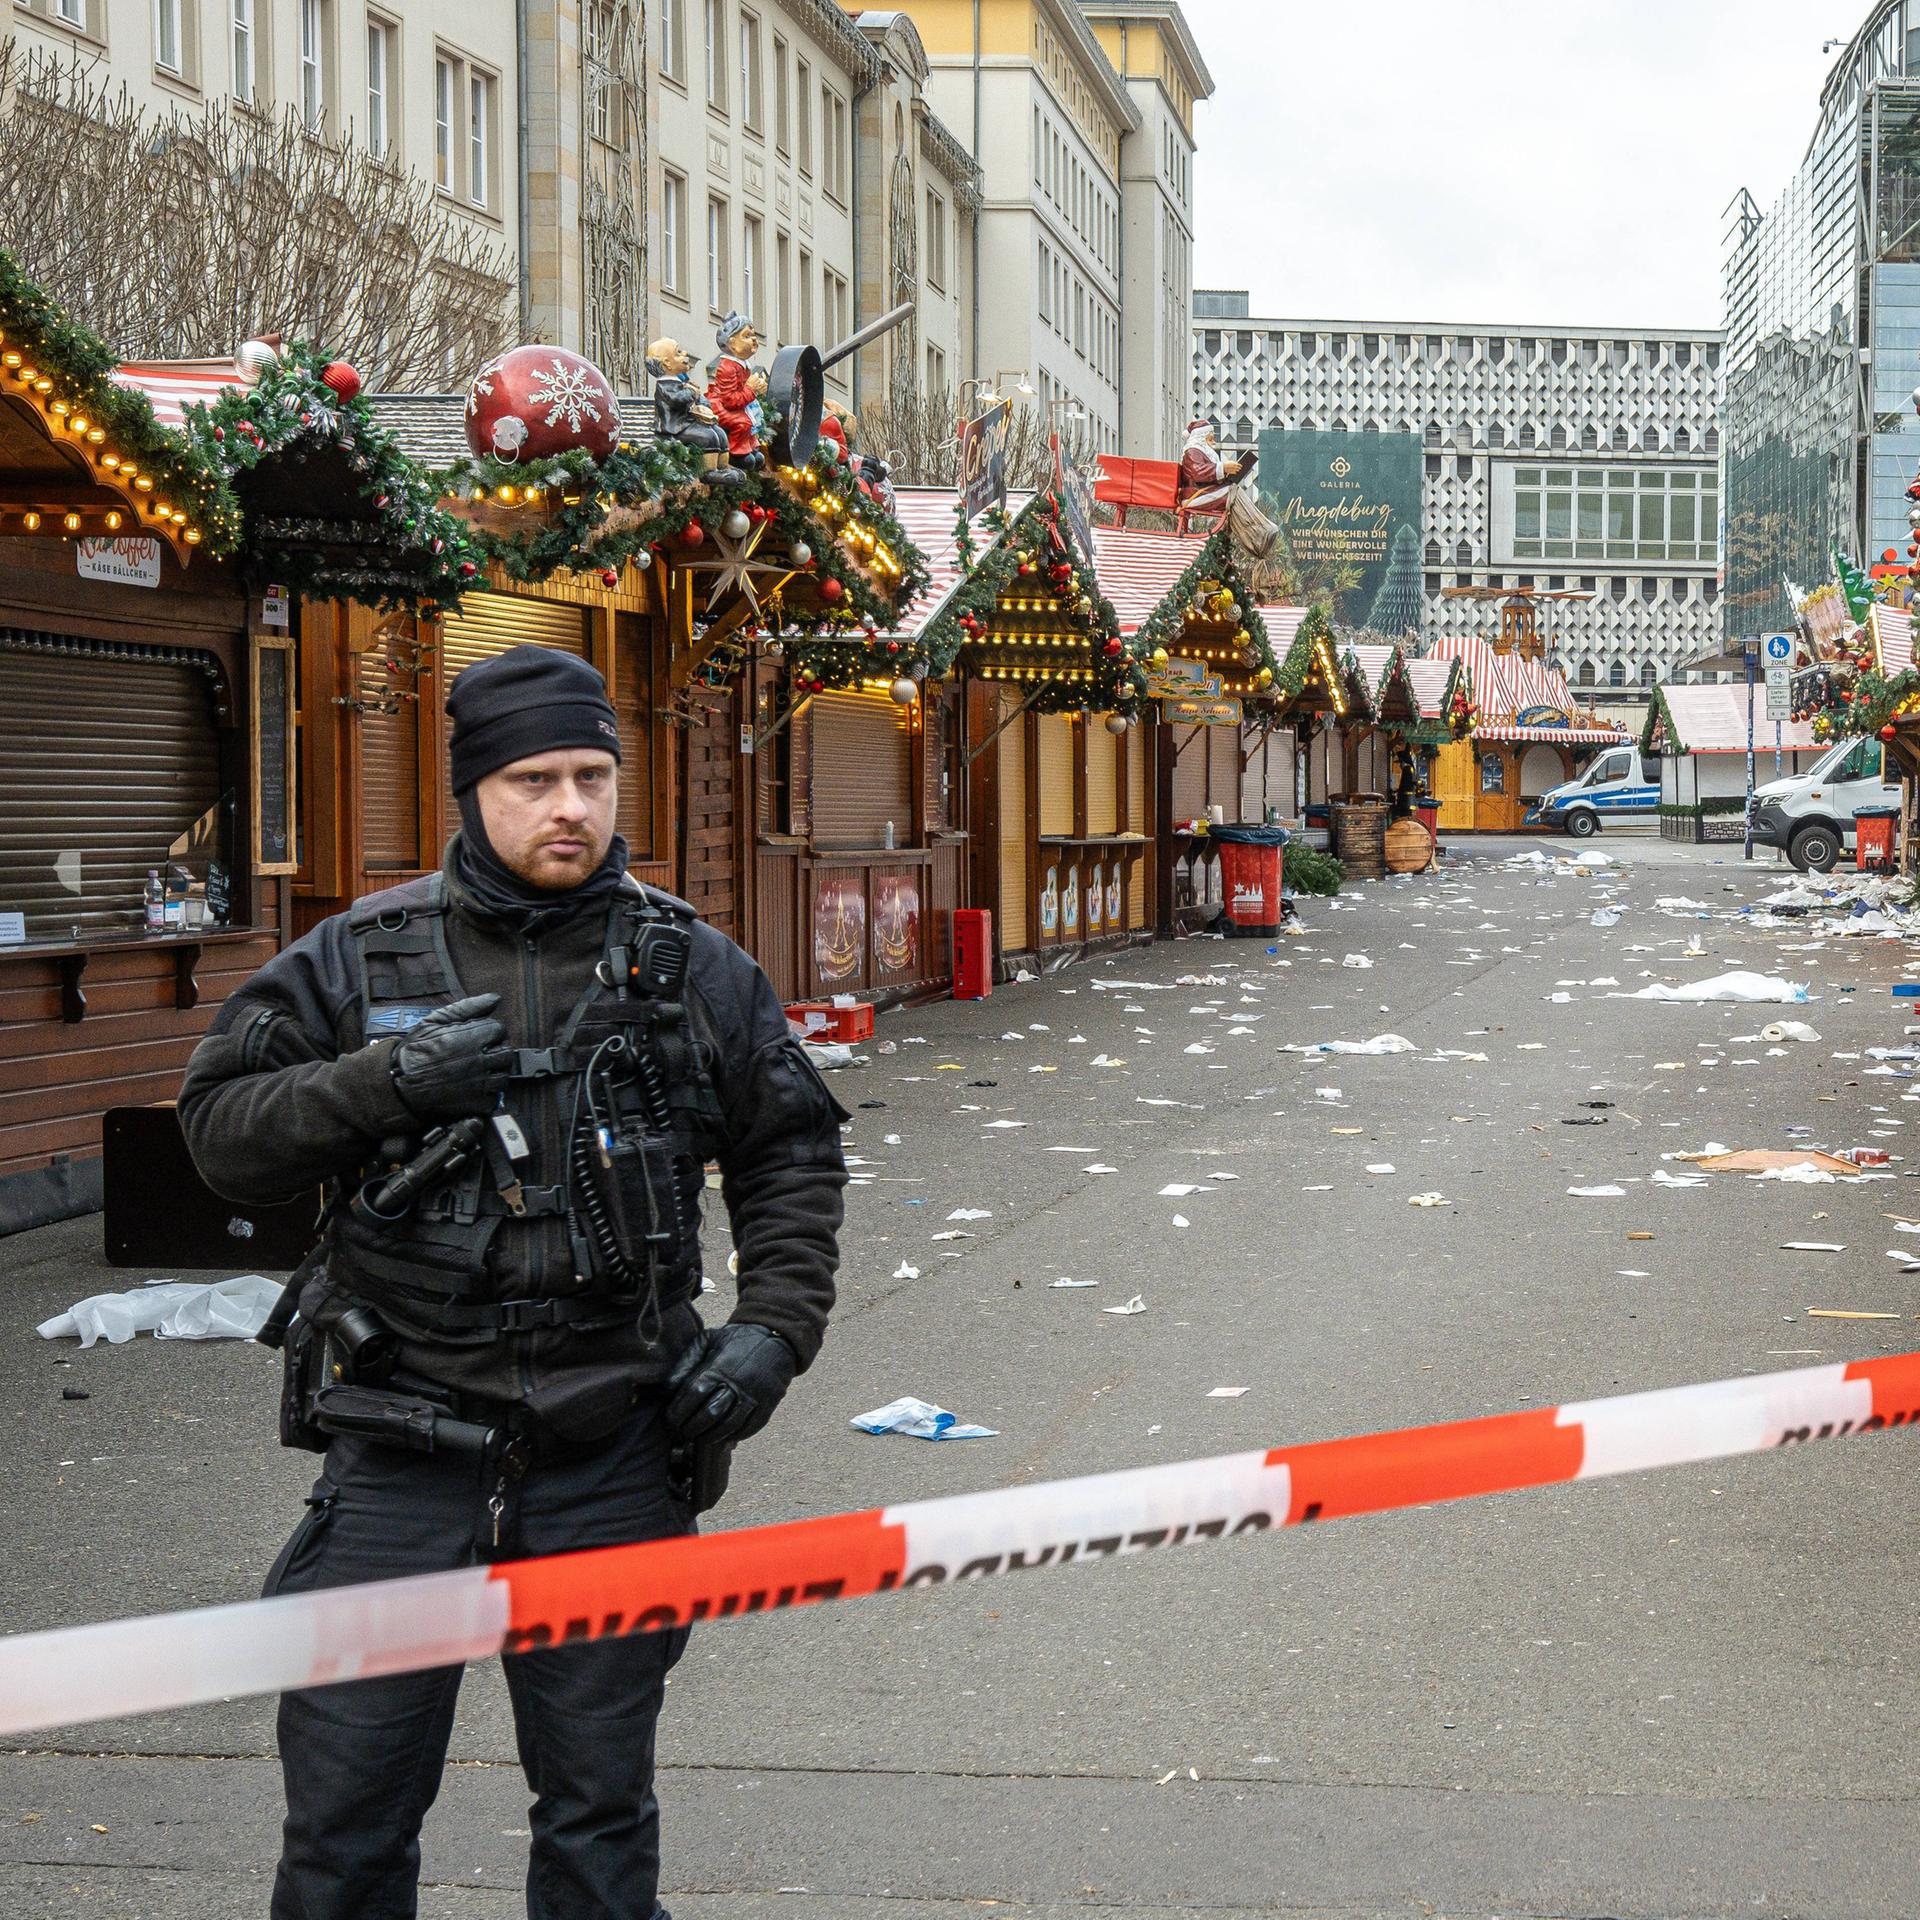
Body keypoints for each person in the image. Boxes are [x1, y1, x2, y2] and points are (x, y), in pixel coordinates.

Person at [177, 645, 849, 1920]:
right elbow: (217, 1135)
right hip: (400, 1452)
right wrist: (383, 1085)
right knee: (346, 1826)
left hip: (612, 1453)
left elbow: (792, 1152)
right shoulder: (355, 959)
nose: (570, 807)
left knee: (599, 1821)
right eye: (533, 780)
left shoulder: (693, 966)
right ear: (472, 790)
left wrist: (775, 1329)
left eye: (593, 775)